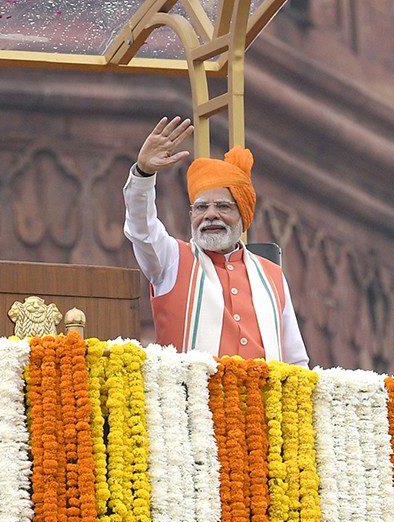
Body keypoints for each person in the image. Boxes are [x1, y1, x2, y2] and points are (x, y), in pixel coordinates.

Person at [123, 115, 309, 367]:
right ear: (192, 215)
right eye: (201, 207)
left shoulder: (272, 275)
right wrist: (143, 174)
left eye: (223, 206)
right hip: (189, 392)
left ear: (243, 215)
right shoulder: (172, 260)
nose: (210, 214)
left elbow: (296, 361)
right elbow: (141, 229)